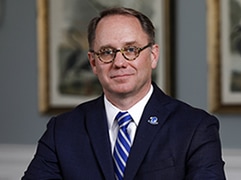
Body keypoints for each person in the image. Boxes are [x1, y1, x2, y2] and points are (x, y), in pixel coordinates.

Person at [22, 7, 226, 180]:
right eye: (107, 52)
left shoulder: (195, 128)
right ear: (93, 62)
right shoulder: (63, 130)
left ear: (153, 56)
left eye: (131, 50)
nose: (119, 63)